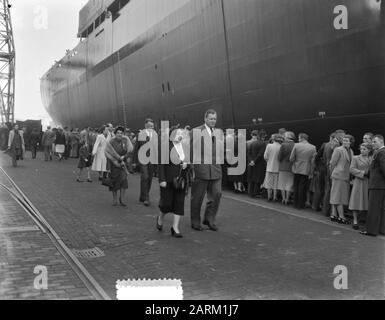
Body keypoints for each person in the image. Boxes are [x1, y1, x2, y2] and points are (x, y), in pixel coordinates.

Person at [191, 109, 223, 231]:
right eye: (211, 118)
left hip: (215, 170)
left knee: (217, 194)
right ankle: (195, 221)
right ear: (205, 118)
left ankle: (209, 219)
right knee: (197, 197)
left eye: (214, 119)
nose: (213, 121)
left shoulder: (219, 132)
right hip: (201, 170)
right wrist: (192, 167)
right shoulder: (196, 131)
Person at [157, 127, 193, 238]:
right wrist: (162, 179)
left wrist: (187, 164)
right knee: (166, 203)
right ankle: (160, 217)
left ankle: (175, 227)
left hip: (181, 180)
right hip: (167, 180)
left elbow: (190, 162)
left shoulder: (185, 147)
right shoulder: (165, 147)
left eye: (181, 134)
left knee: (179, 203)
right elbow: (161, 165)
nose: (180, 135)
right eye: (177, 133)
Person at [361, 135, 385, 236]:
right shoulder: (379, 152)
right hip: (380, 185)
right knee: (382, 208)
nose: (372, 143)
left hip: (377, 185)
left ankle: (371, 230)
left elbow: (384, 169)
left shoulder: (381, 153)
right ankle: (382, 230)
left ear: (381, 142)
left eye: (375, 142)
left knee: (373, 208)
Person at [105, 126, 133, 207]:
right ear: (115, 133)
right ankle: (115, 199)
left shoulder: (125, 140)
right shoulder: (111, 142)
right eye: (118, 133)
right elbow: (108, 154)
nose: (119, 134)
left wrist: (125, 157)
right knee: (114, 183)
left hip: (123, 165)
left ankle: (122, 199)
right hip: (114, 165)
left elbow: (129, 151)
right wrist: (108, 168)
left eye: (121, 133)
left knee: (124, 182)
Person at [329, 135, 354, 224]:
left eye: (347, 140)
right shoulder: (338, 149)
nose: (345, 142)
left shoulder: (351, 151)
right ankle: (341, 217)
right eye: (343, 140)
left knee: (338, 196)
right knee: (338, 196)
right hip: (338, 176)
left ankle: (333, 214)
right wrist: (332, 174)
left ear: (351, 142)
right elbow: (332, 163)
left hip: (346, 177)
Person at [290, 133, 317, 209]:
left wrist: (295, 162)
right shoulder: (313, 147)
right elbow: (313, 161)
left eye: (299, 138)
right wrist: (311, 171)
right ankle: (300, 205)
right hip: (306, 169)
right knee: (303, 187)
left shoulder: (296, 145)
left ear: (302, 138)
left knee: (296, 186)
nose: (298, 139)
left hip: (296, 167)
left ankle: (295, 204)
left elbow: (291, 158)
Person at [349, 143, 372, 229]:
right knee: (356, 201)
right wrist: (363, 173)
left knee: (366, 202)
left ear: (369, 150)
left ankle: (364, 219)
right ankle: (355, 220)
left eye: (364, 149)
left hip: (368, 182)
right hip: (358, 182)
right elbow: (351, 169)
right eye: (361, 149)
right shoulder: (355, 158)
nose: (362, 150)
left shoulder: (372, 159)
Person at [135, 119, 157, 207]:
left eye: (152, 126)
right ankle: (146, 198)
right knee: (145, 176)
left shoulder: (155, 135)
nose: (152, 127)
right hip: (143, 158)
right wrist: (134, 161)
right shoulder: (141, 134)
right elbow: (136, 147)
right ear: (146, 126)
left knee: (150, 178)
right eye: (150, 126)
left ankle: (142, 196)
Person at [263, 134, 284, 202]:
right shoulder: (281, 147)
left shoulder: (269, 145)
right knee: (275, 184)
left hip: (269, 167)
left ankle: (269, 196)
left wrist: (268, 161)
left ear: (273, 139)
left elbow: (265, 156)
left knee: (269, 183)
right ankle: (275, 197)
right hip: (277, 168)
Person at [247, 130, 267, 197]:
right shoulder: (263, 144)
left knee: (251, 177)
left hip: (252, 163)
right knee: (257, 178)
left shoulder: (253, 143)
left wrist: (251, 161)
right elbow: (260, 154)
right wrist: (254, 161)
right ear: (263, 137)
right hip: (259, 164)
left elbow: (249, 153)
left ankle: (250, 192)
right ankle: (256, 193)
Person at [278, 131, 296, 204]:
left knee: (282, 183)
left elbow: (279, 157)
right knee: (289, 184)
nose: (284, 137)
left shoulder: (283, 145)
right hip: (291, 167)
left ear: (288, 137)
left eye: (285, 136)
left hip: (282, 166)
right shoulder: (295, 145)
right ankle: (287, 199)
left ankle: (283, 198)